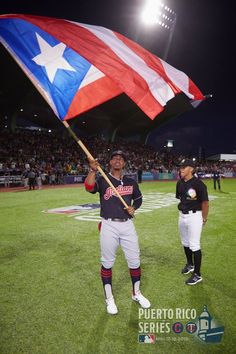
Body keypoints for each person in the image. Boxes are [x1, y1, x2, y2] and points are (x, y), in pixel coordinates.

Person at [84, 150, 151, 315]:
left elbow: (139, 199)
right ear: (110, 163)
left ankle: (136, 294)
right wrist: (92, 170)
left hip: (127, 225)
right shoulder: (103, 179)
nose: (117, 160)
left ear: (124, 163)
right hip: (109, 225)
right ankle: (109, 299)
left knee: (135, 261)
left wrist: (133, 207)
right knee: (107, 263)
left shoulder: (131, 181)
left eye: (121, 158)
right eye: (114, 158)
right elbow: (88, 187)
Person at [176, 159, 209, 285]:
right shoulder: (179, 183)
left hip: (195, 216)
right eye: (181, 167)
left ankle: (197, 274)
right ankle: (190, 264)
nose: (181, 169)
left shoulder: (198, 184)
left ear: (191, 169)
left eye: (184, 167)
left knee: (194, 244)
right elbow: (181, 198)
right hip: (182, 215)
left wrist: (204, 218)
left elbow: (205, 202)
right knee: (185, 242)